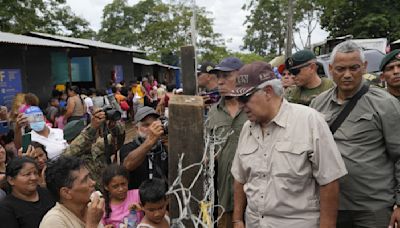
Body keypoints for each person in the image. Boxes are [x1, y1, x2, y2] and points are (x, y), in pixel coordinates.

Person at [229, 61, 347, 228]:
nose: (241, 105)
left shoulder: (309, 121)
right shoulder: (248, 128)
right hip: (255, 223)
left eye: (244, 98)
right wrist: (237, 220)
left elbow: (329, 181)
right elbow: (239, 178)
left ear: (268, 92)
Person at [310, 40, 400, 228]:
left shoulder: (385, 103)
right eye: (341, 69)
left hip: (373, 207)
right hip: (331, 205)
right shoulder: (318, 104)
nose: (348, 75)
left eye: (354, 68)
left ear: (365, 67)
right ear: (331, 69)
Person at [205, 57, 246, 228]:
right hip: (224, 198)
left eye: (226, 76)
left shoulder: (254, 107)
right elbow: (208, 148)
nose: (220, 81)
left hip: (255, 195)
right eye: (218, 77)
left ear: (242, 77)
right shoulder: (213, 112)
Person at [40, 156, 105, 228]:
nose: (93, 182)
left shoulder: (91, 209)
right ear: (66, 193)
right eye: (85, 180)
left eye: (89, 177)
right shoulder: (53, 221)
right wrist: (92, 224)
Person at [120, 107, 168, 189]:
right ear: (136, 128)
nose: (151, 128)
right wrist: (150, 140)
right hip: (137, 198)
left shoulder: (163, 146)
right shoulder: (128, 147)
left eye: (154, 124)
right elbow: (128, 165)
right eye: (146, 125)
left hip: (162, 198)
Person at [0, 157, 55, 228]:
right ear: (11, 180)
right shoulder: (6, 208)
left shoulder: (48, 193)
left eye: (35, 173)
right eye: (27, 174)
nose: (34, 178)